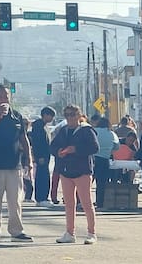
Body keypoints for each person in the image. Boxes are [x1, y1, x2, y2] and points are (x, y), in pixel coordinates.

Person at [0, 84, 32, 242]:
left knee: (15, 200)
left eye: (6, 97)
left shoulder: (16, 116)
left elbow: (24, 139)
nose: (3, 99)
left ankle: (16, 231)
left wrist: (29, 159)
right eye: (0, 97)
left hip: (13, 164)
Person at [52, 104, 99, 244]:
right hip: (66, 170)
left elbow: (94, 147)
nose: (69, 117)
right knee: (69, 204)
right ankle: (69, 233)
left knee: (86, 203)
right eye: (67, 115)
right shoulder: (63, 130)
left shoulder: (86, 130)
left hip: (82, 170)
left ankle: (91, 233)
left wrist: (76, 149)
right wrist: (58, 151)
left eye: (72, 114)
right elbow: (52, 146)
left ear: (79, 115)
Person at [29, 106, 56, 207]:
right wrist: (39, 156)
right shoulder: (38, 126)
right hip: (41, 156)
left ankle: (43, 197)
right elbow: (37, 142)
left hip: (45, 155)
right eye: (51, 116)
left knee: (44, 175)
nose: (52, 118)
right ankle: (41, 198)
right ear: (45, 115)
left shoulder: (43, 126)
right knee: (42, 176)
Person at [93, 115, 120, 209]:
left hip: (93, 158)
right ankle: (101, 202)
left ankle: (82, 201)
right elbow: (117, 146)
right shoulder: (112, 134)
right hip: (105, 159)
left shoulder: (94, 131)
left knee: (87, 182)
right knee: (102, 183)